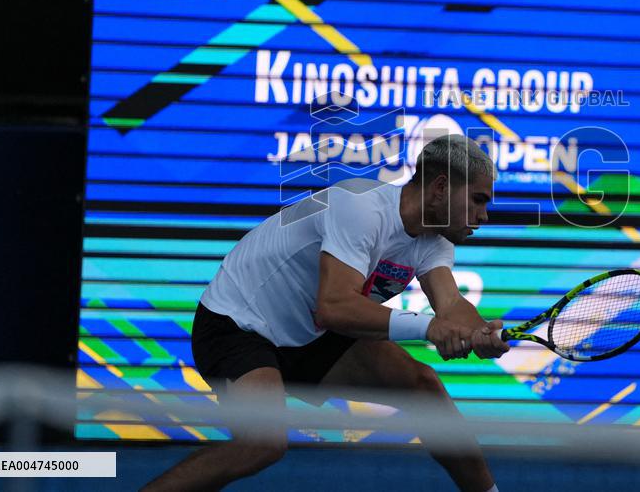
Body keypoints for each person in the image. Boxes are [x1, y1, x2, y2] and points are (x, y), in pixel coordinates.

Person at [143, 134, 509, 491]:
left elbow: (451, 304)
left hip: (309, 331)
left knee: (423, 388)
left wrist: (481, 333)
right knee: (261, 444)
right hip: (239, 322)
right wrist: (428, 328)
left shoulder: (435, 239)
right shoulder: (361, 207)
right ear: (441, 188)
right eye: (478, 199)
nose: (484, 215)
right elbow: (333, 307)